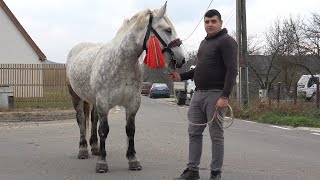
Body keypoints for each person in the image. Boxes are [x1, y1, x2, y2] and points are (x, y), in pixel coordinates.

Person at [170, 9, 238, 180]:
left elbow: (232, 70)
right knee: (194, 133)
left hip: (216, 95)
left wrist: (225, 96)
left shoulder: (227, 42)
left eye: (213, 21)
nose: (210, 24)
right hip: (198, 95)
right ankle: (192, 170)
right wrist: (181, 76)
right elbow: (199, 70)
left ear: (220, 23)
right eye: (207, 22)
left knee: (216, 135)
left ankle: (216, 173)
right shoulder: (204, 43)